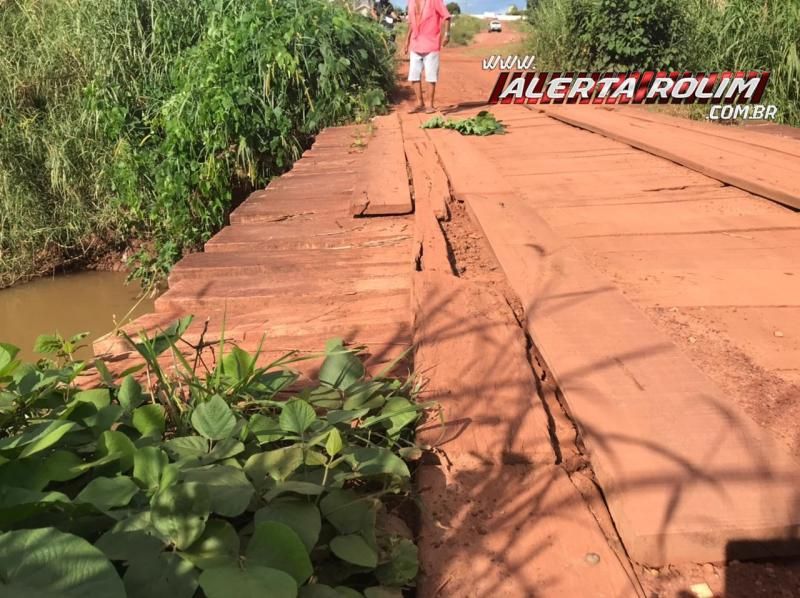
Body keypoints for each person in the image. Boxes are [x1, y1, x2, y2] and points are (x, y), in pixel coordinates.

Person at [404, 0, 451, 113]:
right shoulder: (410, 2)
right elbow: (411, 22)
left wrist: (447, 34)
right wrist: (406, 41)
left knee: (431, 75)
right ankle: (420, 103)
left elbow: (447, 17)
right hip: (415, 43)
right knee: (414, 75)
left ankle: (430, 104)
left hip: (431, 42)